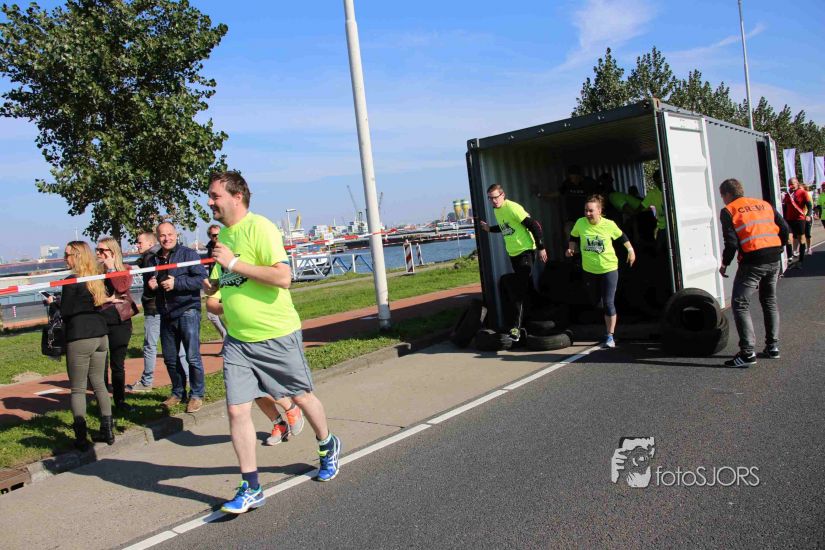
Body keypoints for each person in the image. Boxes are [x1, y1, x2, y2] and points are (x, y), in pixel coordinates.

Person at [202, 171, 341, 514]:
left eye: (215, 195)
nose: (209, 202)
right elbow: (224, 287)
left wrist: (234, 263)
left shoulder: (260, 228)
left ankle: (327, 444)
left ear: (237, 196)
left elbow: (283, 277)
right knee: (236, 410)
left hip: (276, 335)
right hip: (238, 340)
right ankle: (251, 486)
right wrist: (213, 292)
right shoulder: (224, 236)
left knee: (301, 396)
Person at [718, 178, 789, 367]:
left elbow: (731, 243)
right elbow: (784, 228)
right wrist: (779, 248)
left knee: (740, 303)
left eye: (722, 196)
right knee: (769, 300)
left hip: (752, 261)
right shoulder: (764, 204)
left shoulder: (729, 210)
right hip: (773, 258)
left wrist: (725, 264)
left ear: (727, 194)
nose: (723, 200)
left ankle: (747, 353)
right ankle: (773, 347)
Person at [52, 241, 116, 450]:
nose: (64, 258)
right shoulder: (96, 277)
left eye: (67, 254)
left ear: (77, 256)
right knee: (99, 383)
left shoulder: (71, 281)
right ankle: (108, 430)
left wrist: (54, 303)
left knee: (78, 388)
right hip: (100, 334)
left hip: (80, 335)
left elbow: (66, 311)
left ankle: (81, 437)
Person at [148, 221, 208, 413]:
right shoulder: (154, 259)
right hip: (166, 313)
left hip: (187, 310)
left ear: (176, 235)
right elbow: (152, 281)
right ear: (158, 237)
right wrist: (152, 285)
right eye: (162, 235)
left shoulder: (188, 254)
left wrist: (177, 283)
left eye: (170, 234)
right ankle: (178, 392)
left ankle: (196, 395)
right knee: (170, 358)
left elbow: (201, 279)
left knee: (192, 357)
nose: (167, 238)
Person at [479, 183, 548, 342]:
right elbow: (505, 227)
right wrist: (490, 229)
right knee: (527, 287)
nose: (493, 201)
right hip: (513, 254)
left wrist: (541, 248)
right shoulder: (497, 210)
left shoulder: (512, 207)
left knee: (519, 289)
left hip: (526, 251)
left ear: (503, 195)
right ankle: (542, 313)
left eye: (496, 197)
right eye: (490, 198)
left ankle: (516, 328)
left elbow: (534, 225)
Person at [566, 195, 635, 348]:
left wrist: (631, 251)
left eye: (591, 211)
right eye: (586, 210)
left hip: (608, 268)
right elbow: (573, 236)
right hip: (589, 270)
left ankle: (610, 336)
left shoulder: (609, 225)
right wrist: (571, 248)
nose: (588, 213)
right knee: (597, 303)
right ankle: (607, 323)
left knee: (609, 303)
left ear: (599, 211)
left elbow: (622, 237)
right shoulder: (580, 223)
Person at [127, 231, 188, 393]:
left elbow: (157, 280)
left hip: (155, 307)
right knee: (177, 344)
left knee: (150, 345)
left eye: (139, 242)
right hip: (168, 306)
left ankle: (147, 381)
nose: (137, 245)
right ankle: (187, 376)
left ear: (150, 243)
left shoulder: (151, 257)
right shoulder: (159, 255)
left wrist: (153, 286)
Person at [96, 237, 134, 412]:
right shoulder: (95, 272)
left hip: (120, 321)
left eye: (102, 250)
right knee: (100, 364)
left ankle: (120, 400)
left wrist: (111, 269)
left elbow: (121, 288)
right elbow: (93, 296)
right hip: (100, 320)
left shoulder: (125, 269)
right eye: (97, 250)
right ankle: (103, 403)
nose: (98, 253)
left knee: (117, 363)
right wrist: (108, 299)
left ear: (112, 252)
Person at [204, 224, 228, 345]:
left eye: (219, 234)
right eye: (214, 235)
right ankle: (227, 339)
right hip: (215, 281)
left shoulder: (227, 245)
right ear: (210, 236)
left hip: (227, 280)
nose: (217, 237)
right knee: (211, 314)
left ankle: (228, 341)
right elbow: (211, 266)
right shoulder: (210, 248)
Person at [782, 177, 812, 268]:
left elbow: (809, 205)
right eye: (790, 184)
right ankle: (790, 258)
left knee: (801, 239)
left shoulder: (803, 193)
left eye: (793, 183)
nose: (791, 185)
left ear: (797, 183)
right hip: (789, 220)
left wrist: (808, 215)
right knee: (788, 239)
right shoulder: (787, 194)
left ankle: (801, 260)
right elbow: (785, 207)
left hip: (799, 219)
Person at [642, 169, 667, 253]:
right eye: (657, 181)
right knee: (659, 249)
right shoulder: (652, 194)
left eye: (660, 180)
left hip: (674, 225)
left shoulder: (672, 189)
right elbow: (642, 207)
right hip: (662, 226)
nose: (659, 183)